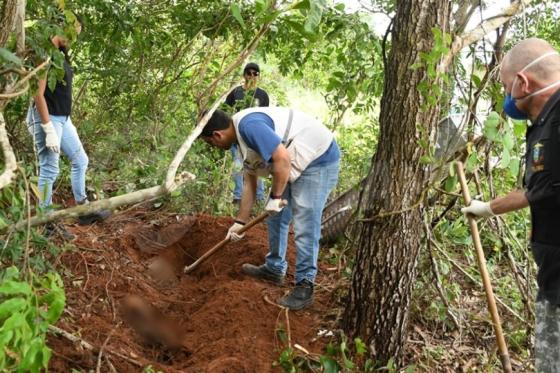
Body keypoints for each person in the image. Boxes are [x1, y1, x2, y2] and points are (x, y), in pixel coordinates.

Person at [461, 38, 560, 371]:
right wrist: (487, 207)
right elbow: (541, 186)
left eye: (506, 86)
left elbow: (544, 190)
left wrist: (489, 207)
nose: (507, 95)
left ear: (522, 82)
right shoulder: (547, 121)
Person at [200, 107, 340, 310]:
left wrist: (275, 197)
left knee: (304, 224)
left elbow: (281, 158)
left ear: (216, 135)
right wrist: (240, 222)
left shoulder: (249, 127)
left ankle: (305, 286)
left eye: (210, 142)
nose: (213, 146)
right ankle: (274, 268)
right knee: (275, 218)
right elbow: (250, 182)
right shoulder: (239, 141)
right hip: (292, 160)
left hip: (318, 159)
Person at [27, 16, 110, 240]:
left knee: (80, 160)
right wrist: (47, 128)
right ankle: (46, 222)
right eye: (72, 33)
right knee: (49, 169)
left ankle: (83, 208)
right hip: (47, 118)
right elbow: (38, 94)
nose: (74, 39)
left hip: (63, 118)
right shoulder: (44, 53)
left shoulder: (60, 55)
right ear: (60, 28)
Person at [225, 62, 270, 204]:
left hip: (255, 137)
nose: (252, 76)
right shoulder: (235, 92)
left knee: (258, 166)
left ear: (258, 76)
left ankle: (259, 198)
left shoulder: (262, 95)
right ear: (244, 75)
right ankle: (238, 197)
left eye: (255, 73)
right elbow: (227, 112)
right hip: (237, 136)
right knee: (238, 167)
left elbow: (265, 116)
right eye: (249, 73)